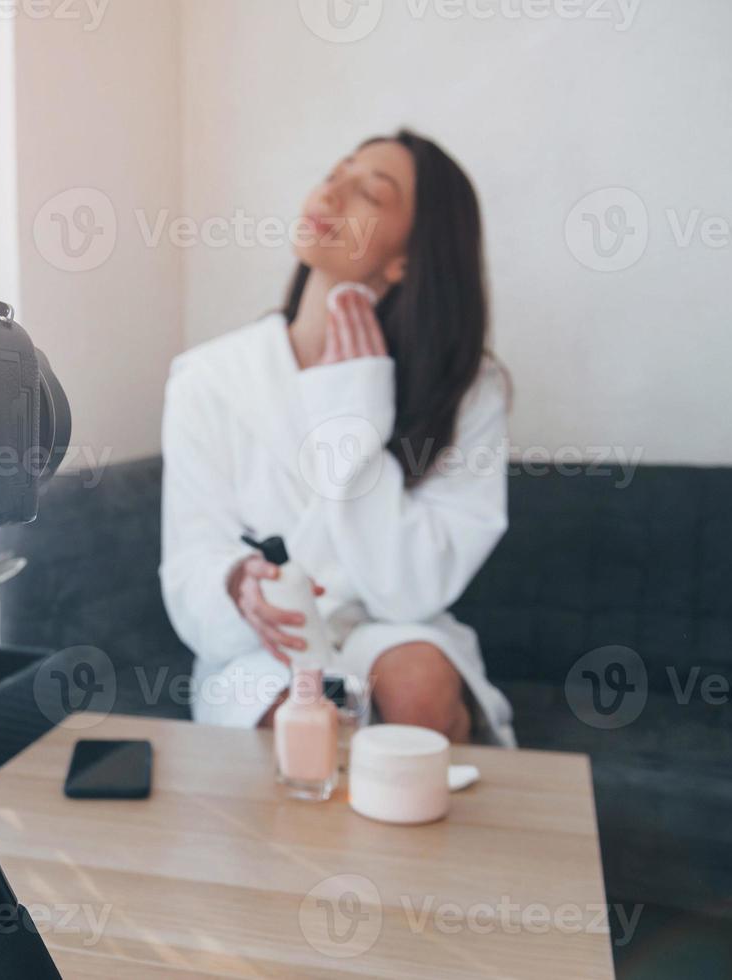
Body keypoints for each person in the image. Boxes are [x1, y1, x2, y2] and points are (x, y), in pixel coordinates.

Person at [158, 130, 514, 745]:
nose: (333, 192)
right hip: (266, 642)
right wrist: (237, 586)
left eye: (371, 194)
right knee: (300, 722)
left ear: (408, 256)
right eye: (335, 173)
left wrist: (355, 425)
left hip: (390, 623)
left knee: (419, 687)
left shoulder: (470, 387)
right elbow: (190, 561)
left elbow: (415, 588)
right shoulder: (208, 378)